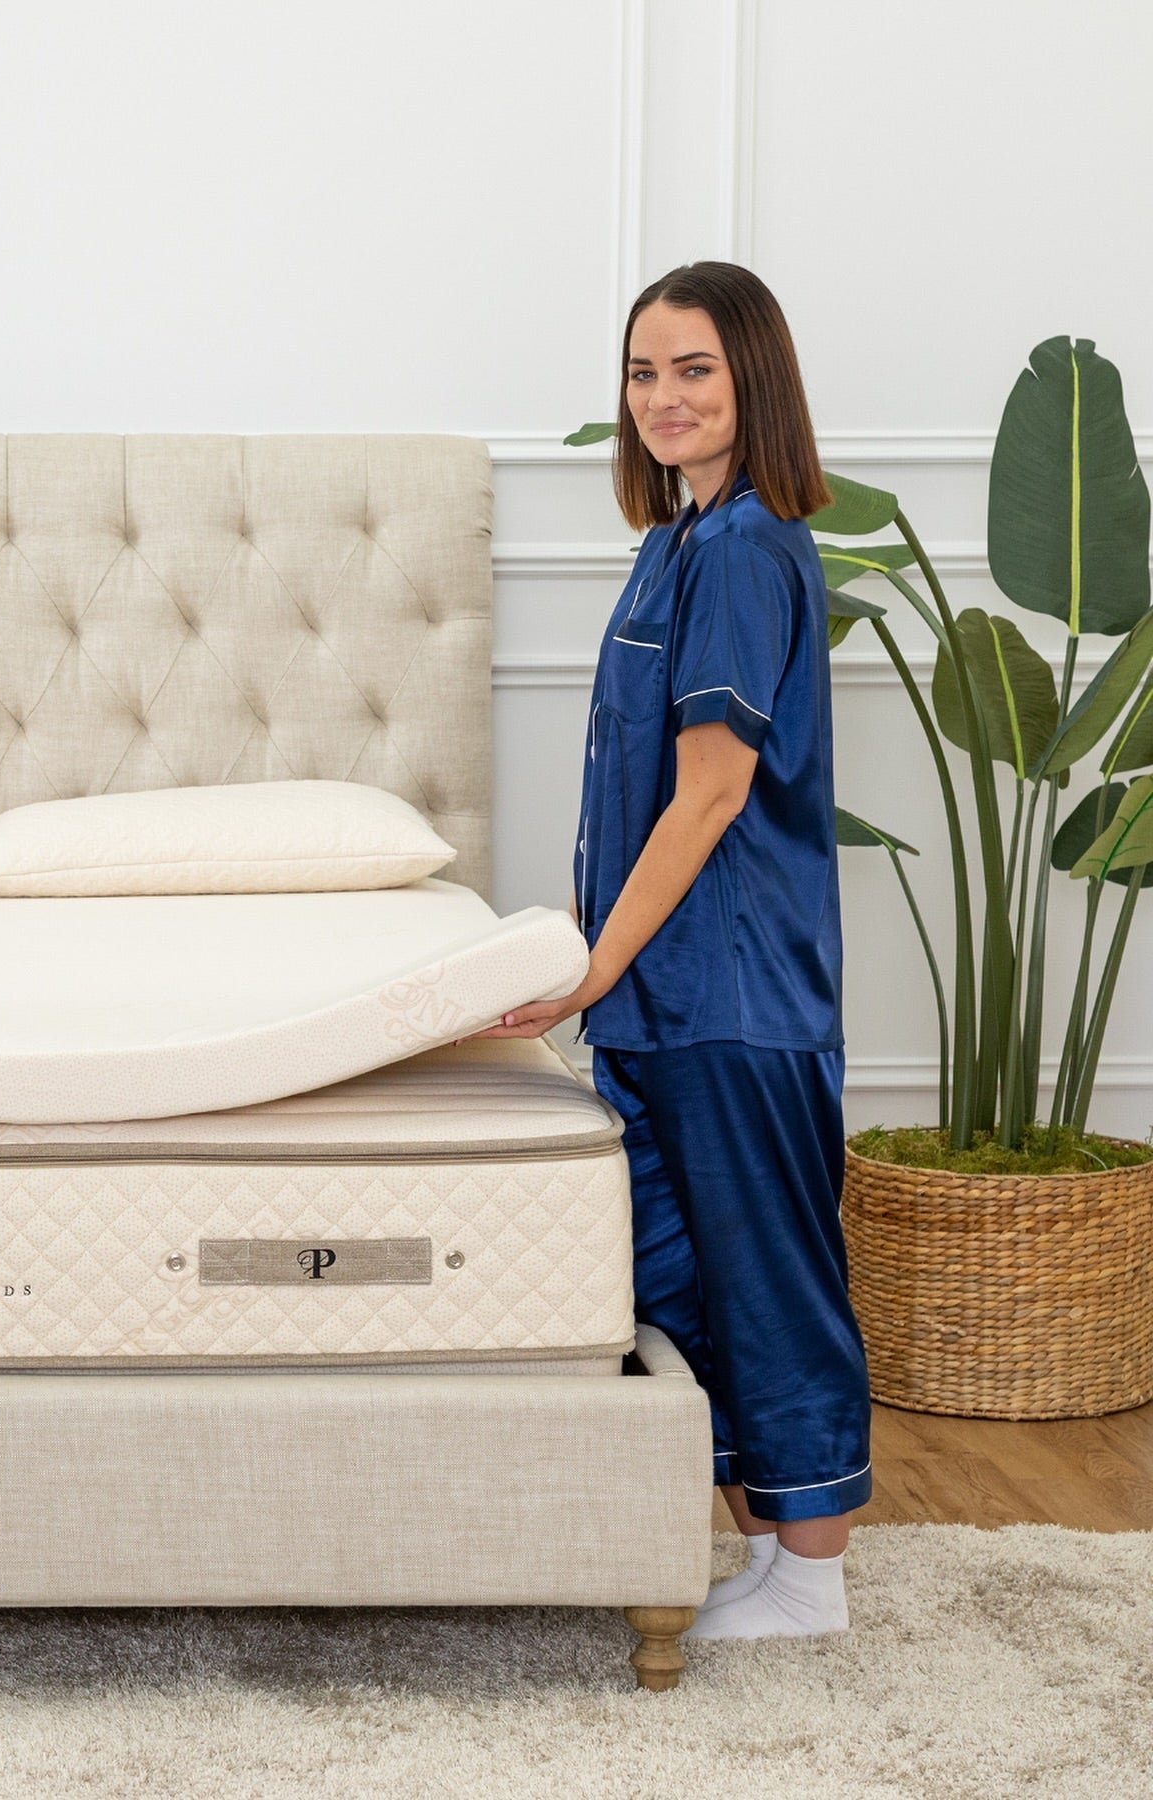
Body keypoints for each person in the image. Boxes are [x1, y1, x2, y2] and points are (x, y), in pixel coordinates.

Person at [473, 261, 872, 1640]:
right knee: (684, 1270)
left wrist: (583, 972)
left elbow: (708, 795)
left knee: (767, 1270)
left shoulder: (752, 549)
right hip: (664, 994)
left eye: (693, 369)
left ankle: (813, 1575)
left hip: (735, 991)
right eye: (644, 373)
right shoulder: (678, 544)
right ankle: (770, 1548)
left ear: (753, 379)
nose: (664, 399)